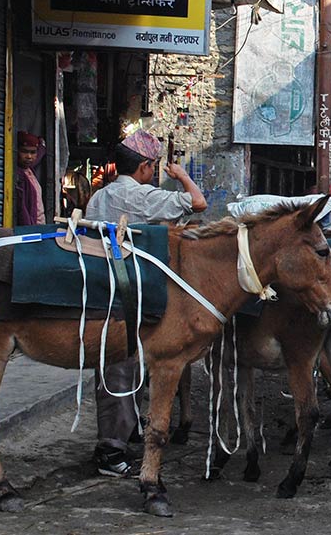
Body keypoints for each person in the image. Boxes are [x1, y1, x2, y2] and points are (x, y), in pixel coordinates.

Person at [85, 129, 207, 477]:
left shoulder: (99, 197)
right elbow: (198, 203)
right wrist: (182, 176)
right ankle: (110, 451)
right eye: (152, 167)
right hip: (128, 290)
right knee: (122, 368)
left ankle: (126, 430)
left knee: (120, 368)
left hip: (101, 285)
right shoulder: (142, 196)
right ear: (144, 167)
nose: (153, 172)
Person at [15, 131, 46, 226]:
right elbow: (22, 208)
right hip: (32, 229)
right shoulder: (19, 175)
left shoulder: (29, 169)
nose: (29, 156)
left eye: (33, 152)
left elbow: (41, 151)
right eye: (24, 151)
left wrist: (42, 142)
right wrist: (29, 230)